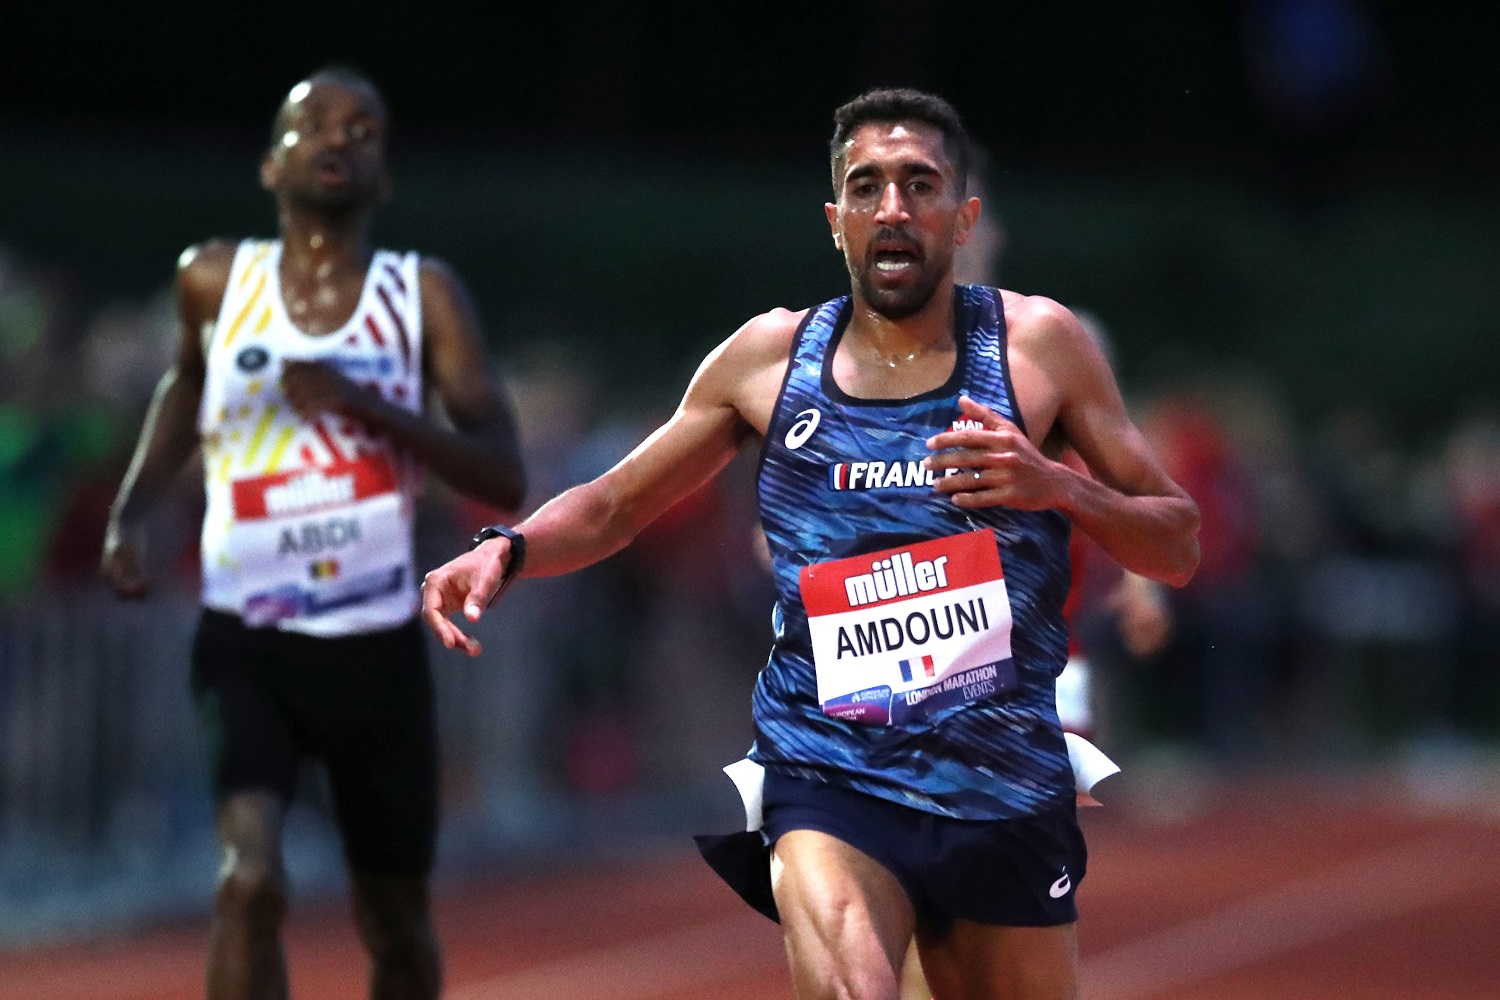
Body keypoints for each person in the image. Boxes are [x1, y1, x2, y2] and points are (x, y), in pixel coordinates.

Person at [422, 87, 1198, 1000]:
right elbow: (613, 506)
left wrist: (1057, 484)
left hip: (1000, 782)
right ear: (836, 222)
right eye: (866, 188)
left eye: (919, 185)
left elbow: (1176, 541)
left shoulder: (1038, 347)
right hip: (830, 771)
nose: (893, 209)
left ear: (963, 216)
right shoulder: (769, 359)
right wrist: (505, 549)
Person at [100, 68, 525, 1000]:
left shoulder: (423, 297)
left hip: (374, 649)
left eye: (362, 128)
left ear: (385, 173)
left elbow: (502, 470)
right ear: (270, 162)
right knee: (246, 882)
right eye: (314, 126)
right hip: (246, 642)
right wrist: (131, 513)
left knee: (398, 927)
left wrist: (375, 409)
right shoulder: (213, 279)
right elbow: (182, 389)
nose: (338, 139)